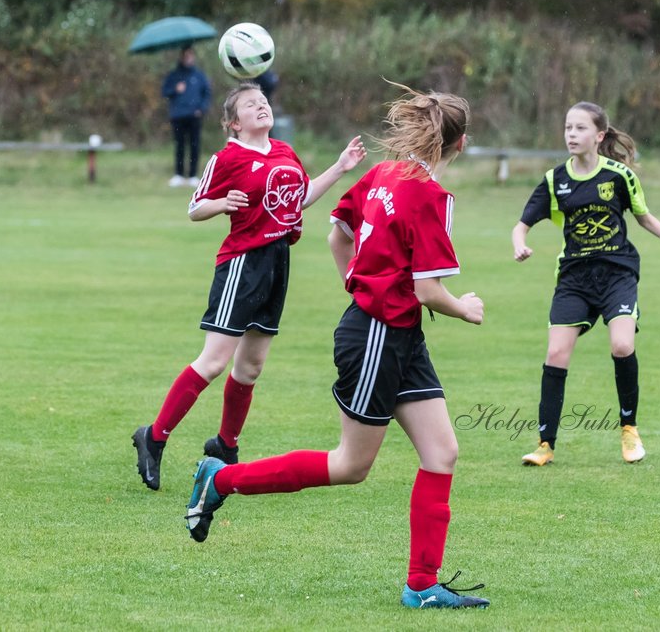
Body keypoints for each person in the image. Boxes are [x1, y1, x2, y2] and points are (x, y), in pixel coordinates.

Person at [184, 85, 491, 611]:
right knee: (350, 465)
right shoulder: (432, 196)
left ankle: (422, 585)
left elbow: (336, 234)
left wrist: (358, 283)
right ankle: (222, 479)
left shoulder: (384, 174)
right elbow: (428, 290)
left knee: (442, 453)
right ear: (459, 146)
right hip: (378, 334)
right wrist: (464, 307)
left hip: (393, 332)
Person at [133, 82, 366, 492]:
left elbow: (300, 197)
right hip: (242, 265)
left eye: (263, 101)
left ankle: (225, 446)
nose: (261, 107)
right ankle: (153, 438)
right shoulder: (228, 157)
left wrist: (341, 166)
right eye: (250, 105)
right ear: (234, 123)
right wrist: (223, 203)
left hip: (278, 263)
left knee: (251, 367)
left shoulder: (285, 152)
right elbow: (195, 207)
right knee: (214, 361)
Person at [511, 101, 660, 467]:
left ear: (598, 136)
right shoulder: (555, 180)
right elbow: (522, 224)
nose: (571, 135)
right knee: (556, 355)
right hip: (574, 278)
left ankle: (629, 429)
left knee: (622, 345)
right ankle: (544, 445)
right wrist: (520, 244)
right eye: (568, 128)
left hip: (617, 274)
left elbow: (643, 216)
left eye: (580, 128)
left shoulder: (618, 176)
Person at [161, 45, 212, 187]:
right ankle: (178, 174)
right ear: (181, 57)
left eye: (190, 55)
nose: (188, 58)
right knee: (180, 145)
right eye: (185, 56)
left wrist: (201, 109)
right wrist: (175, 89)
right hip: (178, 116)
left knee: (195, 145)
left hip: (194, 116)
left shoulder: (199, 75)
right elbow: (165, 92)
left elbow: (207, 93)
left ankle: (192, 175)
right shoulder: (174, 75)